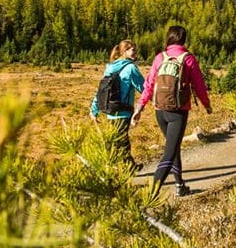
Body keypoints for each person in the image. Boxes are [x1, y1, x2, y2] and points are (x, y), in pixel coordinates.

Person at [131, 25, 212, 197]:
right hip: (178, 111)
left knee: (173, 147)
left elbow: (149, 85)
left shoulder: (160, 57)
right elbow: (199, 86)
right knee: (169, 153)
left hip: (160, 110)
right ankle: (151, 194)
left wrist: (139, 108)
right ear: (184, 39)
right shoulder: (188, 59)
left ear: (169, 38)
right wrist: (206, 104)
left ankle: (179, 185)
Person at [90, 40, 145, 170]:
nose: (135, 52)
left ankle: (123, 167)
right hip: (123, 111)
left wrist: (94, 109)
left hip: (110, 111)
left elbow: (102, 90)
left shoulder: (109, 67)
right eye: (132, 49)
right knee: (121, 141)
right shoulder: (131, 68)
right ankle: (126, 169)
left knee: (118, 140)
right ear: (125, 51)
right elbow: (144, 88)